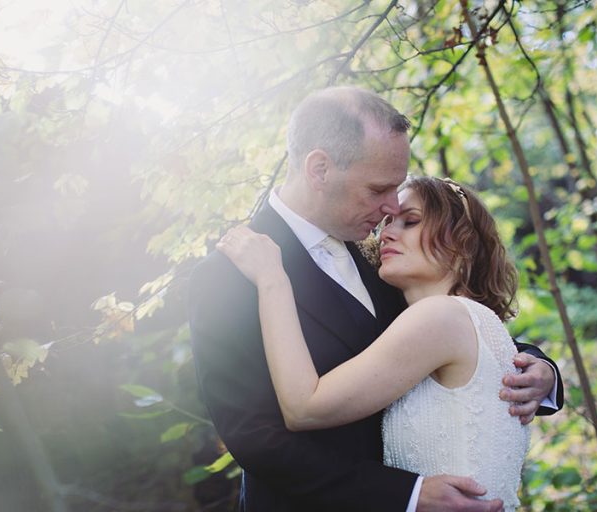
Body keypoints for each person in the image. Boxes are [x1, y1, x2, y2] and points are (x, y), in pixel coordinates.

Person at [188, 86, 563, 512]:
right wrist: (407, 494)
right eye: (378, 189)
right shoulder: (228, 276)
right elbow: (257, 439)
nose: (390, 208)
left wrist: (541, 373)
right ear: (319, 169)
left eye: (397, 190)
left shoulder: (387, 261)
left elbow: (458, 334)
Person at [217, 176, 532, 510]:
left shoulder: (440, 317)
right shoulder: (469, 322)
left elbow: (304, 408)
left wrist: (272, 279)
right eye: (386, 222)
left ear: (463, 242)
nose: (387, 233)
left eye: (410, 221)